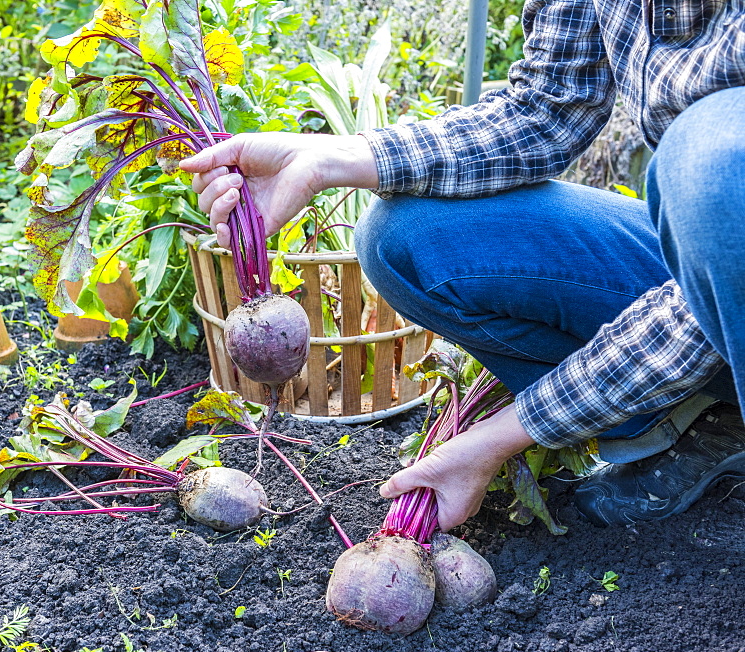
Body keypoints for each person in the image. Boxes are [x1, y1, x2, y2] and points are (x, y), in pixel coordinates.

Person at [180, 0, 745, 529]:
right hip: (711, 248)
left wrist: (499, 437)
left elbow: (720, 259)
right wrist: (331, 158)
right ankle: (695, 421)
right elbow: (546, 110)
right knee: (410, 238)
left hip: (725, 211)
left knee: (712, 165)